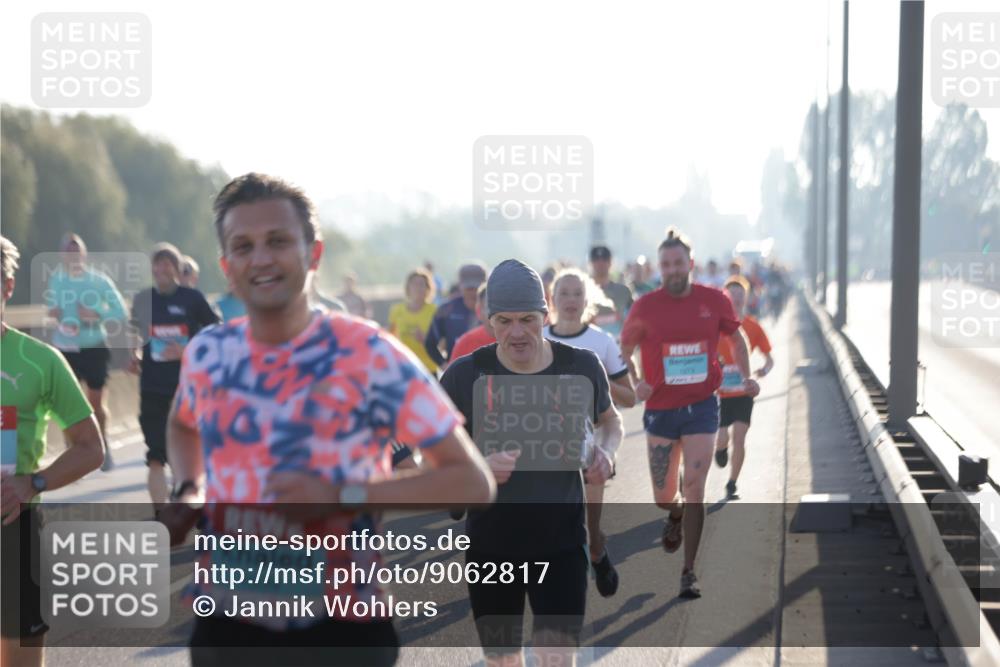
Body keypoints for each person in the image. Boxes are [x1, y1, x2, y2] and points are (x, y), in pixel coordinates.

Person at [162, 173, 494, 666]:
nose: (261, 258)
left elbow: (472, 482)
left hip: (341, 629)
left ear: (313, 254)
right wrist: (190, 488)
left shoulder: (369, 354)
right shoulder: (209, 352)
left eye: (277, 241)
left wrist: (344, 495)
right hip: (226, 625)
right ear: (226, 266)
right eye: (244, 246)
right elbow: (182, 424)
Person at [440, 259, 623, 667]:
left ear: (546, 315)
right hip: (491, 546)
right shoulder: (463, 376)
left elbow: (611, 422)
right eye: (504, 321)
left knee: (556, 658)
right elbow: (432, 456)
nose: (517, 332)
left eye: (528, 319)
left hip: (560, 544)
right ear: (490, 322)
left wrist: (606, 453)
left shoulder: (581, 366)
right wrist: (479, 467)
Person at [620, 228, 759, 599]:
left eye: (678, 263)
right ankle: (674, 513)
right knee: (665, 496)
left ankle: (689, 571)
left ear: (691, 264)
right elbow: (625, 348)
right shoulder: (645, 306)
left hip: (701, 406)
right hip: (661, 410)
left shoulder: (714, 301)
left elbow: (736, 338)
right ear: (659, 268)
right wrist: (637, 382)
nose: (672, 270)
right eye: (665, 264)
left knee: (696, 487)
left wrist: (746, 377)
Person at [1, 235, 105, 667]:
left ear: (7, 285)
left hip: (12, 528)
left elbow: (90, 448)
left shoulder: (39, 360)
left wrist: (33, 482)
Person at [544, 268, 635, 598]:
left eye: (577, 294)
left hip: (593, 445)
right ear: (551, 300)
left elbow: (630, 397)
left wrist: (595, 379)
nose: (570, 300)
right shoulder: (536, 339)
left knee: (589, 529)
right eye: (563, 294)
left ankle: (597, 552)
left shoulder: (602, 342)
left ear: (588, 300)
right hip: (548, 448)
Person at [128, 242, 218, 510]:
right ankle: (162, 517)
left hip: (186, 390)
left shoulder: (192, 299)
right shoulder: (143, 299)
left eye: (168, 264)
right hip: (152, 388)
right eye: (158, 263)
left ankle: (186, 510)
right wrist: (135, 355)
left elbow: (215, 334)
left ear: (177, 269)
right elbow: (136, 334)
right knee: (155, 457)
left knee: (188, 458)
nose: (162, 269)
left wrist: (187, 349)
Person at [44, 233, 127, 471]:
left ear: (83, 254)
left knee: (95, 402)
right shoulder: (56, 280)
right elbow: (52, 308)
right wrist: (55, 314)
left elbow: (120, 311)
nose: (73, 255)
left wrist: (97, 315)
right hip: (66, 347)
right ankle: (71, 451)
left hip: (94, 347)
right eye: (68, 251)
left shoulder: (98, 280)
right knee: (66, 403)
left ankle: (103, 445)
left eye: (76, 250)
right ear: (62, 256)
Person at [714, 276, 773, 499]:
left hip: (743, 393)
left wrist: (762, 372)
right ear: (725, 298)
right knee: (722, 437)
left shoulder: (752, 327)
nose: (737, 300)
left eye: (741, 296)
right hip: (720, 394)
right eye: (732, 296)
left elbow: (769, 359)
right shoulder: (715, 327)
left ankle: (732, 483)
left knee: (740, 437)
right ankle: (720, 449)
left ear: (746, 298)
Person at [423, 262, 486, 368]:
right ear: (460, 285)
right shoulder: (446, 310)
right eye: (468, 287)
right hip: (457, 375)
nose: (473, 292)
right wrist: (444, 365)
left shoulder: (496, 310)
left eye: (476, 287)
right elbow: (430, 343)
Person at [387, 268, 438, 373]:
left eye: (421, 284)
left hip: (428, 368)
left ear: (428, 289)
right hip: (404, 367)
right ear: (408, 287)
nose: (418, 288)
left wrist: (425, 341)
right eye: (414, 284)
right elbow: (390, 339)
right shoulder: (397, 310)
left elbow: (442, 345)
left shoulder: (435, 311)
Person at [588, 245, 633, 340]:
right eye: (596, 260)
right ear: (591, 263)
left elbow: (633, 322)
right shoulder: (582, 292)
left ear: (610, 263)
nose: (600, 263)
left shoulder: (623, 292)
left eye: (605, 259)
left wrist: (621, 319)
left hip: (618, 346)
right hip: (590, 346)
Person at [449, 284, 495, 362]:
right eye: (490, 307)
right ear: (479, 311)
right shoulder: (465, 343)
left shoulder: (519, 341)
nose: (497, 313)